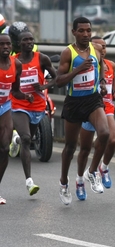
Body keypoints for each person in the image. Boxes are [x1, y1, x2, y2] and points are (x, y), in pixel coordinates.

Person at [55, 17, 109, 205]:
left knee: (105, 133)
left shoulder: (96, 49)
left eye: (88, 30)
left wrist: (102, 82)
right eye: (82, 31)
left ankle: (92, 172)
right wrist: (77, 70)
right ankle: (63, 182)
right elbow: (59, 81)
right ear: (74, 32)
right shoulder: (67, 53)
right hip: (74, 102)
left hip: (92, 99)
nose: (86, 34)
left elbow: (101, 65)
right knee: (70, 147)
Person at [8, 30, 57, 196]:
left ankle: (15, 140)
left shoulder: (42, 58)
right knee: (27, 139)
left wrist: (44, 87)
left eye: (31, 39)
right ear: (19, 44)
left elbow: (57, 78)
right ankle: (29, 181)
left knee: (30, 139)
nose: (29, 42)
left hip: (37, 106)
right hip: (18, 104)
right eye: (25, 40)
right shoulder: (13, 62)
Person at [76, 36, 115, 200]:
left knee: (112, 138)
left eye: (104, 46)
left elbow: (113, 79)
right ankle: (80, 180)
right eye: (99, 46)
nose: (102, 49)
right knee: (85, 149)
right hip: (90, 108)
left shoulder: (111, 65)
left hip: (107, 107)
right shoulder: (87, 65)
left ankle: (99, 169)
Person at [0, 33, 34, 204]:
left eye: (8, 44)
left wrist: (25, 96)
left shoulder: (16, 64)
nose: (6, 47)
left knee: (4, 149)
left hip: (5, 107)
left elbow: (14, 90)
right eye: (2, 44)